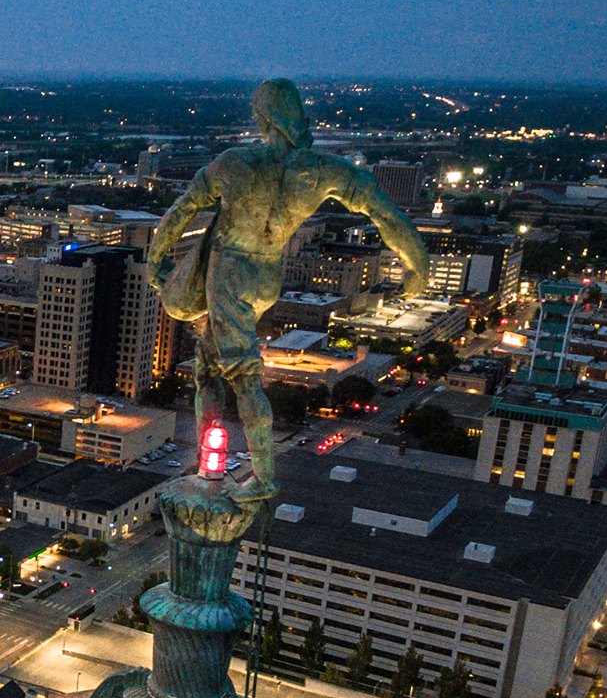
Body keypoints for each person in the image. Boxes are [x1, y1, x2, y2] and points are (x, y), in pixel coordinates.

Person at [147, 79, 430, 499]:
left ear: (262, 119)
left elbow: (178, 213)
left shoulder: (235, 163)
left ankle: (263, 477)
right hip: (267, 276)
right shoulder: (322, 170)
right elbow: (386, 214)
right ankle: (212, 463)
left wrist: (156, 260)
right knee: (208, 365)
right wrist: (417, 266)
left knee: (242, 377)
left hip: (229, 271)